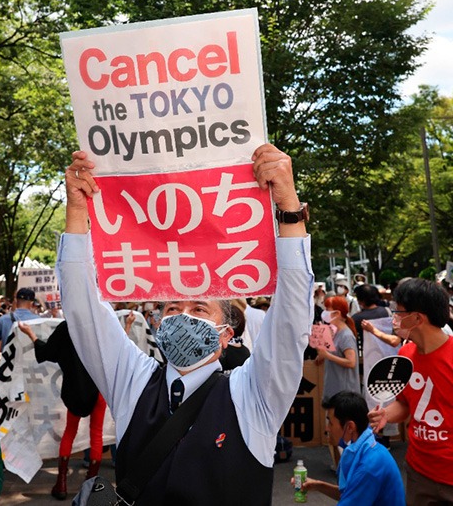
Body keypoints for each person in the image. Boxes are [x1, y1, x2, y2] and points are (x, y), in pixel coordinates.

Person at [58, 145, 312, 504]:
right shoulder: (132, 381)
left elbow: (290, 321)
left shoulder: (253, 395)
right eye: (173, 307)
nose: (183, 316)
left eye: (199, 308)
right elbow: (83, 309)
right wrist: (77, 211)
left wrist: (288, 207)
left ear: (227, 336)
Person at [369, 278, 453, 504]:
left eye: (399, 312)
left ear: (417, 318)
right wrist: (386, 415)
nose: (394, 318)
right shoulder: (405, 355)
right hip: (419, 471)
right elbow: (405, 403)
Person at [16, 320, 106, 499]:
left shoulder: (68, 327)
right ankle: (91, 486)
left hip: (75, 389)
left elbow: (47, 351)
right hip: (98, 389)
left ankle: (62, 484)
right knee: (96, 434)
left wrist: (30, 334)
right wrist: (127, 326)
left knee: (69, 432)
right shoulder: (99, 323)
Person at [294, 391, 405, 506]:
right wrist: (317, 485)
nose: (327, 429)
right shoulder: (364, 447)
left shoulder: (370, 465)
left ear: (350, 427)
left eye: (330, 423)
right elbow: (350, 493)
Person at [318, 295, 361, 469]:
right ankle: (341, 466)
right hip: (335, 389)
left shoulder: (345, 335)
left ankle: (348, 469)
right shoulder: (334, 332)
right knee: (336, 431)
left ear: (337, 313)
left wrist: (327, 355)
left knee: (343, 431)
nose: (325, 313)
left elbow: (351, 362)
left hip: (343, 391)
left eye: (328, 309)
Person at [0, 287, 40, 369]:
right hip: (32, 367)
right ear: (32, 303)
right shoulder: (39, 321)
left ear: (16, 301)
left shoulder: (3, 320)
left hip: (9, 367)